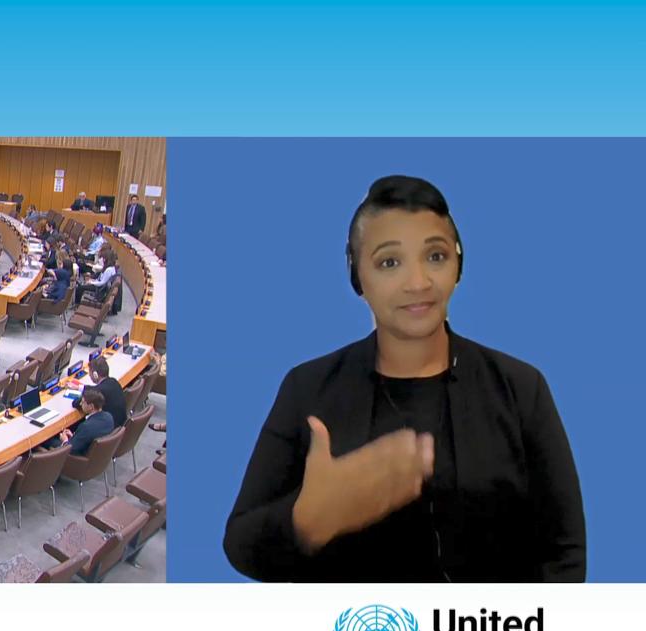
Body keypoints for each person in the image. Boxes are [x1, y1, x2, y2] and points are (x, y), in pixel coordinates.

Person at [223, 174, 586, 583]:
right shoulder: (307, 388)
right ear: (356, 276)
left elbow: (564, 549)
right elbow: (239, 541)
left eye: (435, 256)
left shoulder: (521, 388)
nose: (418, 282)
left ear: (458, 265)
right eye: (389, 262)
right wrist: (306, 523)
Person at [59, 387, 114, 456]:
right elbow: (87, 437)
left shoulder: (86, 427)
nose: (80, 404)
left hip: (78, 460)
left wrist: (64, 440)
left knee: (50, 442)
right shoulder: (109, 417)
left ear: (91, 406)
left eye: (83, 402)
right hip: (99, 457)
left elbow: (70, 450)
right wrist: (74, 436)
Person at [73, 356, 126, 428]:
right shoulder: (113, 381)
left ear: (95, 375)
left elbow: (76, 403)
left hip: (109, 429)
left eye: (90, 373)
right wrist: (80, 387)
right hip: (119, 427)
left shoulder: (98, 391)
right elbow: (95, 388)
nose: (89, 375)